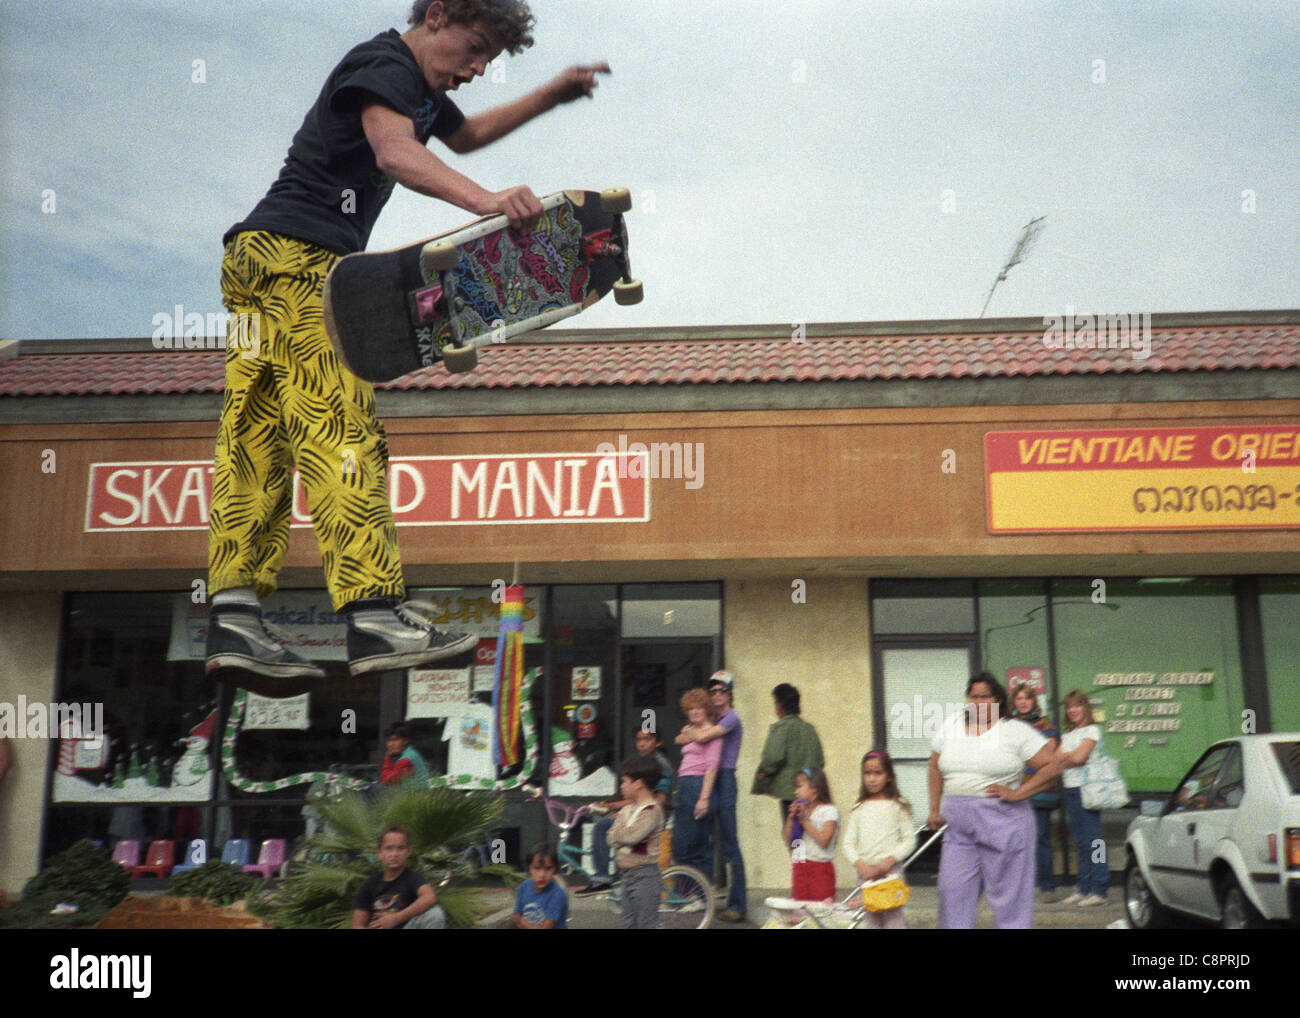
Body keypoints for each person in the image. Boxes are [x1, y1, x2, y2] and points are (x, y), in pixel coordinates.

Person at [204, 0, 611, 694]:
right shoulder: (385, 63)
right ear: (437, 15)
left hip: (254, 257)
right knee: (339, 425)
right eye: (474, 48)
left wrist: (550, 93)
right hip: (302, 259)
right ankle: (372, 612)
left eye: (489, 61)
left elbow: (471, 133)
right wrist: (484, 202)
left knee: (260, 434)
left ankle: (233, 611)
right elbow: (394, 150)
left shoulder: (419, 87)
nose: (477, 69)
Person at [928, 672, 1063, 929]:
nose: (978, 702)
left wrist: (1019, 792)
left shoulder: (1014, 730)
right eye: (973, 696)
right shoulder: (951, 724)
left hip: (1003, 821)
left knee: (1010, 898)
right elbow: (934, 766)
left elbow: (1053, 766)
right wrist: (934, 808)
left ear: (998, 699)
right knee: (951, 891)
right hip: (959, 825)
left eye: (984, 697)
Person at [673, 669, 747, 922]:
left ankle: (738, 904)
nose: (717, 694)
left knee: (729, 845)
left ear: (729, 693)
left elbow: (702, 736)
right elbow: (678, 738)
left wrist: (689, 731)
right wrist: (688, 731)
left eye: (722, 690)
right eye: (713, 690)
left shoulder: (729, 718)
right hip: (707, 781)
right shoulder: (711, 717)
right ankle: (700, 895)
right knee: (701, 842)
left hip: (723, 779)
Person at [576, 728, 672, 895]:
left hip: (648, 817)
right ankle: (614, 878)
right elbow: (637, 796)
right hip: (636, 813)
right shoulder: (641, 762)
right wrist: (623, 810)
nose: (642, 743)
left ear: (658, 742)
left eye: (647, 739)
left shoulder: (659, 764)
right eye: (638, 739)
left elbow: (658, 799)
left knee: (602, 829)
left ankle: (602, 879)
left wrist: (624, 811)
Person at [841, 749, 916, 929]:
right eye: (867, 773)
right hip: (867, 873)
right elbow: (848, 844)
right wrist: (860, 864)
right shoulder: (859, 808)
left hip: (891, 872)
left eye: (878, 773)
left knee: (894, 919)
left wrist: (890, 860)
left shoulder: (898, 805)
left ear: (889, 776)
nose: (872, 778)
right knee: (872, 920)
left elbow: (909, 840)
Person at [1009, 683, 1061, 903]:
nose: (1023, 702)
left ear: (1033, 701)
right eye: (1019, 698)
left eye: (1027, 698)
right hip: (1012, 790)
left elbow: (1048, 754)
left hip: (1040, 791)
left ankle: (1047, 887)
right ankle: (1019, 888)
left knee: (1041, 839)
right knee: (1015, 842)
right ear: (1014, 701)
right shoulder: (1006, 724)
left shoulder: (1045, 725)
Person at [1056, 689, 1108, 906]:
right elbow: (1056, 761)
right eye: (1069, 707)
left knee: (1095, 841)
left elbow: (1077, 757)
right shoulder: (1067, 735)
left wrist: (1071, 757)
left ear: (1085, 707)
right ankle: (1083, 887)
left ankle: (1100, 890)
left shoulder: (1092, 731)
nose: (1073, 710)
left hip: (1088, 790)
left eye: (1077, 705)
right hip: (1071, 790)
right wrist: (1072, 757)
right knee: (1080, 842)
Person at [606, 755, 667, 929]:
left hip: (645, 876)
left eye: (624, 781)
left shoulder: (651, 810)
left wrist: (620, 834)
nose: (621, 786)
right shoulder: (628, 809)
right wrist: (621, 835)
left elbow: (631, 836)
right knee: (628, 924)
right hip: (626, 876)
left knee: (645, 924)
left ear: (638, 784)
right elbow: (610, 837)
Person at [752, 683, 824, 823]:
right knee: (809, 833)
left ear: (780, 705)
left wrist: (763, 774)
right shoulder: (810, 729)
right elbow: (820, 761)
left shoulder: (781, 728)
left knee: (794, 836)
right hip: (812, 791)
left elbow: (772, 758)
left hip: (790, 791)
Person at [352, 825, 446, 928]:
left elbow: (430, 897)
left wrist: (395, 919)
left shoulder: (413, 878)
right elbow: (357, 924)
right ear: (379, 853)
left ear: (408, 851)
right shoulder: (369, 884)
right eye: (389, 848)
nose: (395, 854)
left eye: (400, 848)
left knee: (435, 914)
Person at [671, 688, 721, 876]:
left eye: (699, 708)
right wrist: (691, 731)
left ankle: (697, 895)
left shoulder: (712, 733)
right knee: (685, 844)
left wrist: (704, 798)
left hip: (698, 785)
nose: (694, 712)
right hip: (685, 785)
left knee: (694, 845)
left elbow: (711, 767)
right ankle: (692, 894)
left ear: (707, 709)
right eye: (690, 709)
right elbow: (678, 739)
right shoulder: (694, 730)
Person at [782, 766, 839, 902]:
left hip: (820, 869)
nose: (796, 792)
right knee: (800, 910)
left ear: (814, 787)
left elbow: (824, 840)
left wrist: (805, 821)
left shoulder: (829, 811)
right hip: (800, 865)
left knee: (819, 910)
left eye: (799, 786)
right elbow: (789, 841)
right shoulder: (801, 811)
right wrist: (791, 819)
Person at [512, 842, 569, 929]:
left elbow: (547, 926)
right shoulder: (523, 887)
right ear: (529, 869)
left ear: (555, 870)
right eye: (537, 868)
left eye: (548, 868)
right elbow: (516, 917)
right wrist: (522, 922)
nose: (542, 874)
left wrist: (524, 923)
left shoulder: (557, 894)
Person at [379, 722, 429, 787]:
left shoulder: (406, 760)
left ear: (405, 741)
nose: (391, 744)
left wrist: (387, 758)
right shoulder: (411, 753)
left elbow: (385, 781)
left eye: (395, 740)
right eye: (389, 740)